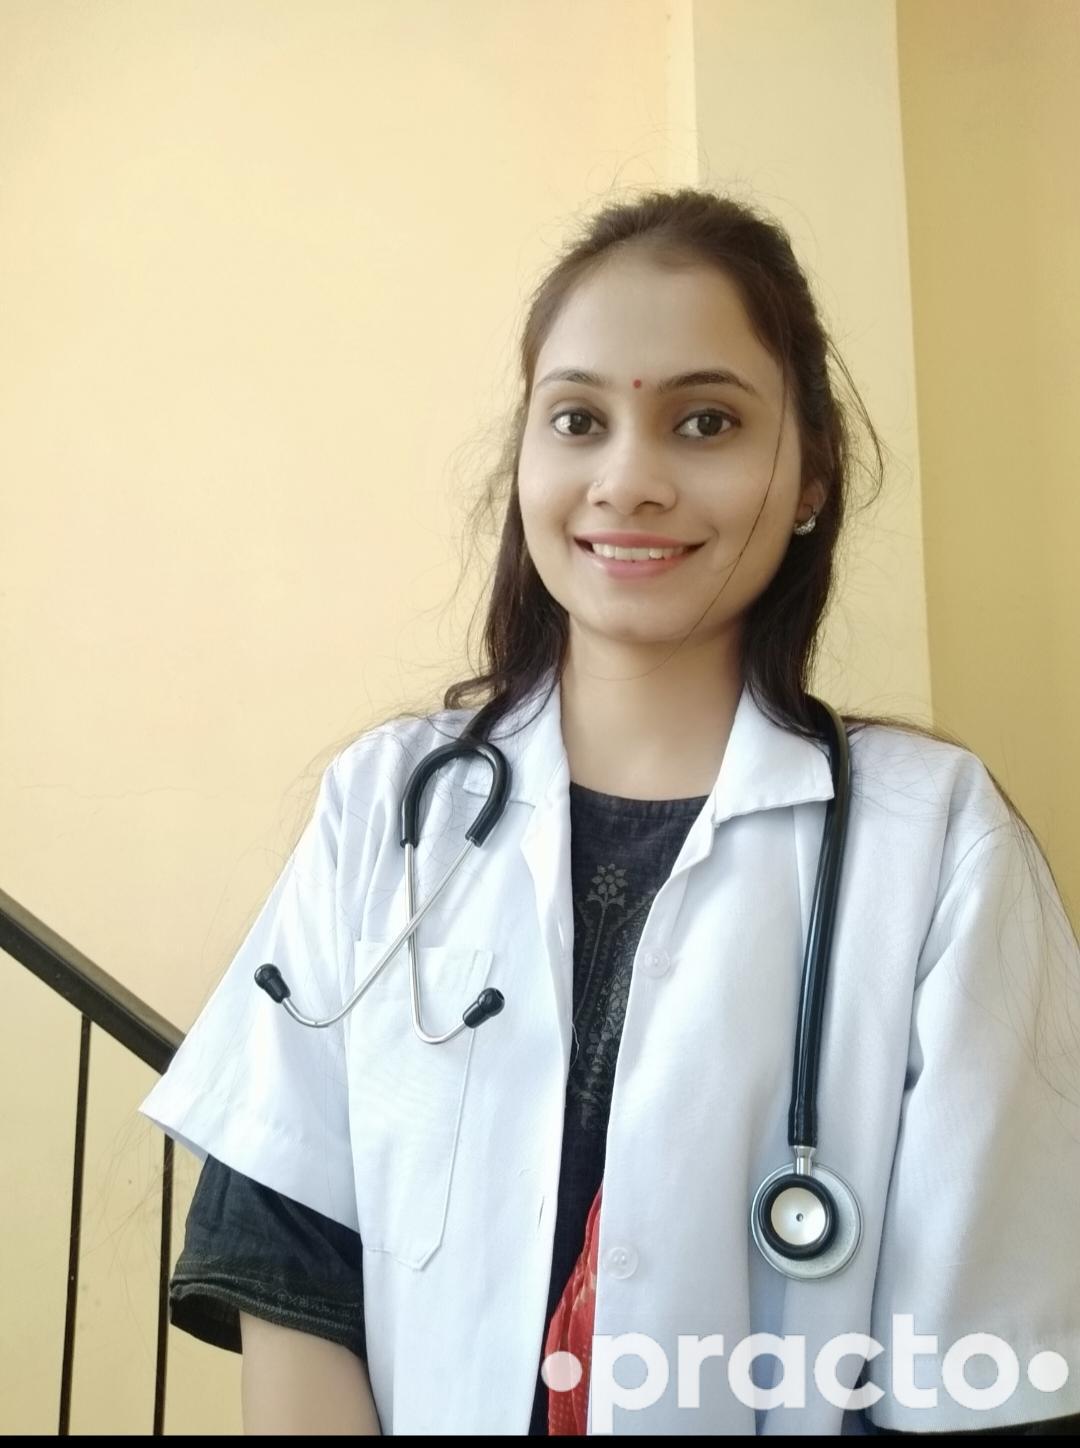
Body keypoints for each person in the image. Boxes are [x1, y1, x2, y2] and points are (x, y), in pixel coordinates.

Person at [138, 187, 1080, 1435]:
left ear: (811, 473)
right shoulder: (387, 806)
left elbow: (985, 1356)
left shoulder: (938, 842)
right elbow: (287, 1258)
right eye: (578, 418)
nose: (628, 480)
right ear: (527, 458)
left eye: (706, 421)